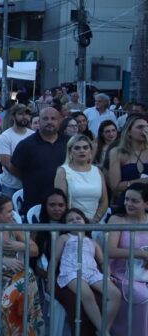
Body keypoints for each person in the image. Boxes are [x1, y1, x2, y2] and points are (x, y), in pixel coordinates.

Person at [0, 194, 44, 335]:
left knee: (26, 277)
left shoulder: (13, 227)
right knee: (26, 279)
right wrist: (3, 261)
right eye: (8, 211)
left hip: (13, 275)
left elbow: (35, 250)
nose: (12, 214)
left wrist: (21, 246)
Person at [52, 208, 121, 333]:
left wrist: (108, 276)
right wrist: (50, 280)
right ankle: (103, 331)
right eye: (70, 220)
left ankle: (103, 329)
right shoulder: (64, 238)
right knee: (87, 294)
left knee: (115, 294)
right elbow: (55, 259)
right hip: (72, 271)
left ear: (84, 221)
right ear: (66, 226)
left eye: (78, 218)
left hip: (92, 272)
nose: (75, 221)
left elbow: (102, 261)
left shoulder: (92, 242)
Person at [107, 183, 148, 334]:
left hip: (145, 276)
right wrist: (140, 254)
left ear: (146, 203)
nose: (128, 204)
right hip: (122, 277)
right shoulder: (117, 220)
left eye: (134, 201)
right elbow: (110, 251)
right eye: (127, 199)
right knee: (142, 295)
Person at [9, 108, 67, 215]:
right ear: (39, 122)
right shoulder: (26, 144)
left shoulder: (68, 143)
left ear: (59, 122)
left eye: (53, 118)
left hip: (64, 202)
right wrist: (31, 178)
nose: (49, 121)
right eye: (45, 118)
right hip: (35, 201)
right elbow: (14, 168)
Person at [54, 135, 109, 222]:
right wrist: (78, 220)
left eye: (85, 147)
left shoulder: (97, 171)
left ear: (90, 151)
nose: (82, 151)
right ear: (70, 151)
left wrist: (96, 219)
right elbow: (61, 202)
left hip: (95, 222)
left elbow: (104, 200)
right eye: (77, 148)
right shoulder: (63, 171)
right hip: (72, 222)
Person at [108, 115, 148, 213]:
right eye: (140, 127)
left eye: (147, 127)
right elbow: (115, 186)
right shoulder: (117, 152)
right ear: (129, 132)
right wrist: (141, 181)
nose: (145, 130)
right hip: (128, 203)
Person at [0, 103, 33, 197]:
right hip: (11, 187)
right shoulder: (5, 137)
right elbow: (8, 165)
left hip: (31, 184)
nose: (25, 117)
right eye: (21, 114)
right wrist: (27, 178)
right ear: (13, 116)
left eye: (27, 114)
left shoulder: (33, 135)